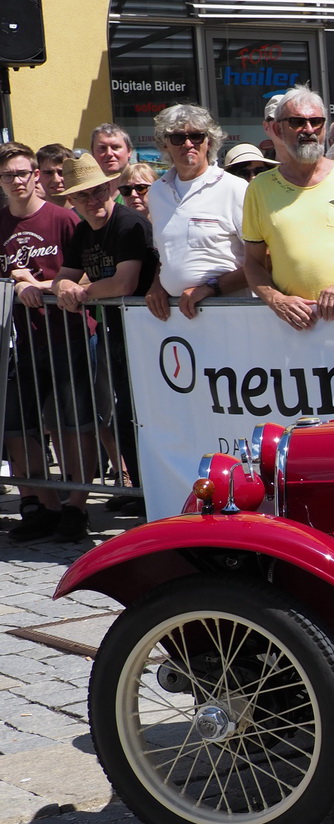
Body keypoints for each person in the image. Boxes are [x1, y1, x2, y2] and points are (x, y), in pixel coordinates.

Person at [54, 152, 162, 533]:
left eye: (99, 190)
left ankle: (159, 495)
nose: (94, 200)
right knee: (125, 414)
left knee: (151, 414)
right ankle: (144, 495)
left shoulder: (129, 223)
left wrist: (82, 292)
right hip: (117, 333)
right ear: (72, 200)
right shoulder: (83, 232)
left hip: (153, 333)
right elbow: (63, 277)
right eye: (84, 195)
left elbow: (123, 283)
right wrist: (64, 287)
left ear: (110, 187)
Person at [242, 85, 334, 330]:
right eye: (297, 122)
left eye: (316, 122)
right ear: (278, 129)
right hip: (292, 324)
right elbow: (252, 263)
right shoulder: (259, 188)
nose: (309, 129)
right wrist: (276, 300)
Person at [0, 142, 89, 541]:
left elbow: (86, 275)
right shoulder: (1, 223)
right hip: (18, 342)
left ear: (36, 175)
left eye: (23, 172)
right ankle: (46, 506)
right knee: (19, 429)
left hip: (67, 335)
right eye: (8, 175)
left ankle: (76, 508)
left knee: (74, 425)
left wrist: (39, 284)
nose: (17, 180)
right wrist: (15, 284)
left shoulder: (64, 219)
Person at [145, 104, 249, 322]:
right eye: (178, 138)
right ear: (165, 143)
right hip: (177, 317)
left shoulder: (235, 188)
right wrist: (157, 285)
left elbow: (262, 259)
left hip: (230, 313)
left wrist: (211, 288)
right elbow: (166, 255)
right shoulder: (156, 192)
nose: (188, 144)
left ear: (209, 141)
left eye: (196, 136)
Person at [88, 123, 132, 189]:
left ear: (129, 151)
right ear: (93, 154)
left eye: (115, 147)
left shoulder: (143, 187)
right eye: (102, 148)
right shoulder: (88, 190)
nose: (109, 153)